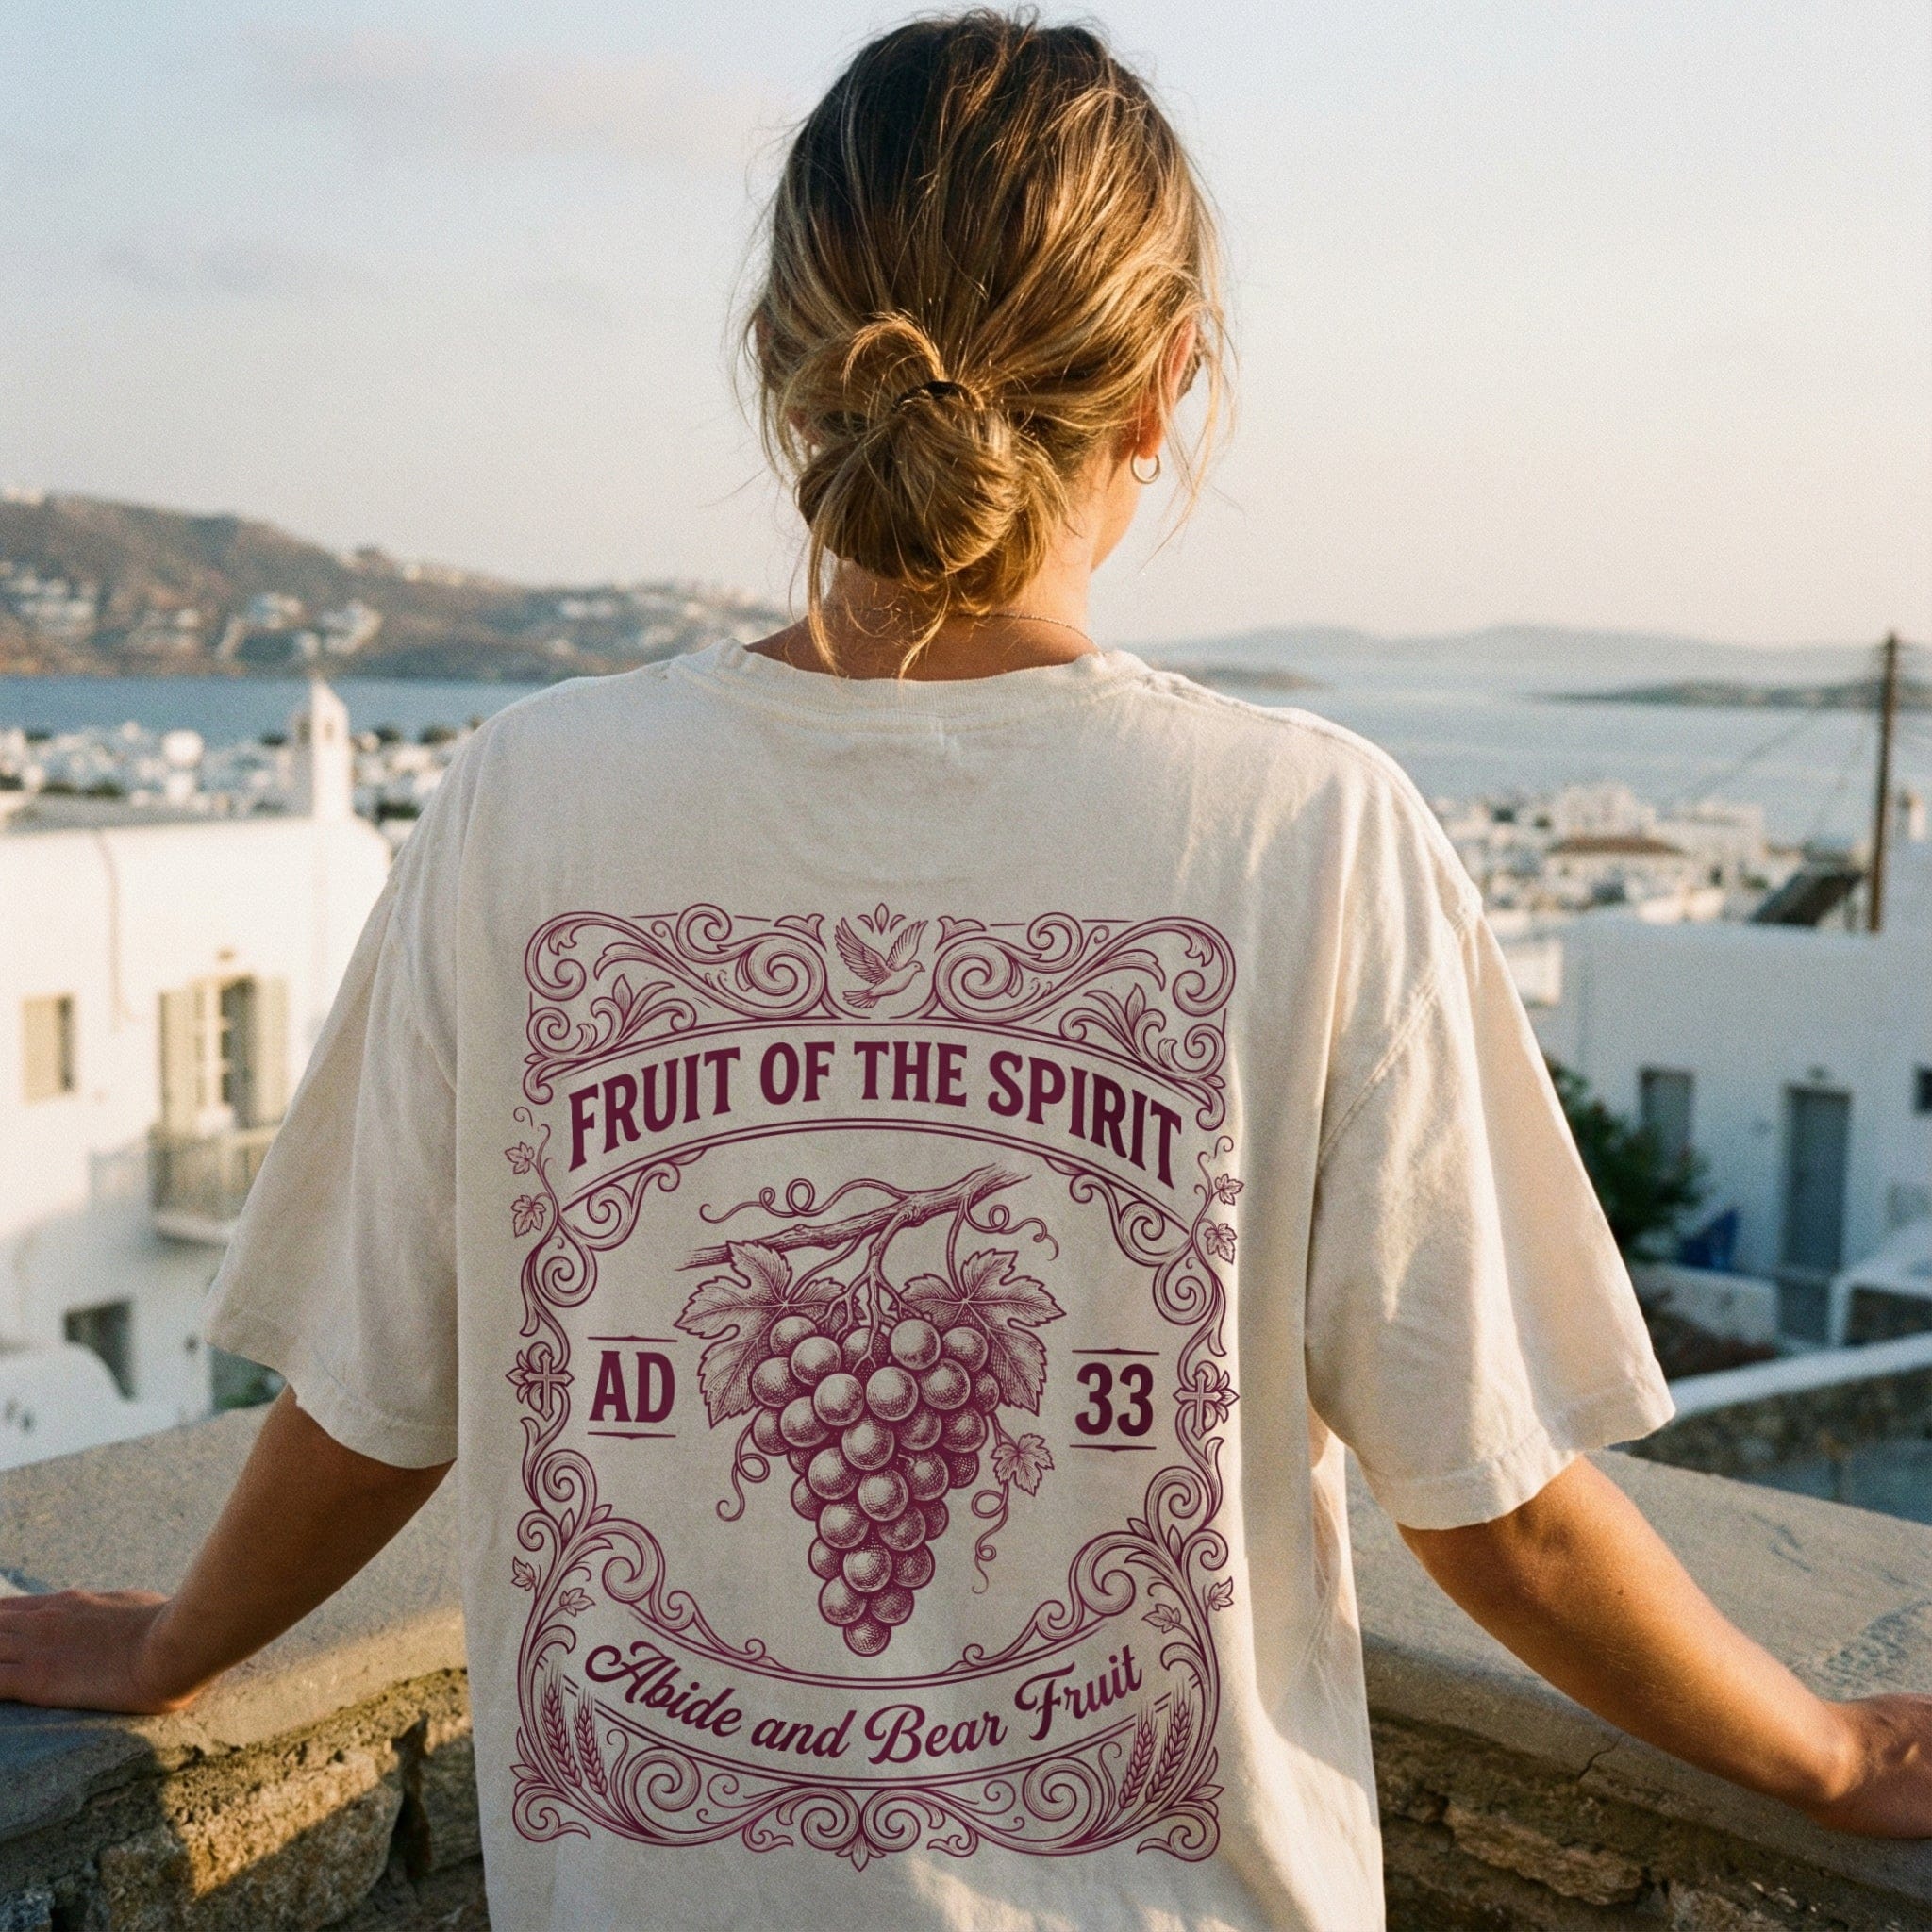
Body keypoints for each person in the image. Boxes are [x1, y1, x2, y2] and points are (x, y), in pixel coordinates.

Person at [3, 13, 1928, 1928]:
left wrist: (172, 1643)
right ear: (1169, 382)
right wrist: (1823, 1758)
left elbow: (374, 1396)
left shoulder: (528, 799)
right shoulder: (1308, 830)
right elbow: (1498, 1509)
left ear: (783, 361)